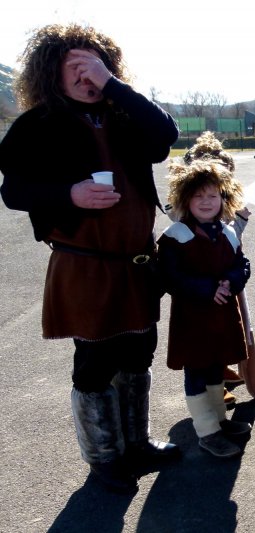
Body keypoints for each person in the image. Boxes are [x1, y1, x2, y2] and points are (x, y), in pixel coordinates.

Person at [0, 23, 180, 492]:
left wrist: (114, 85)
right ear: (51, 73)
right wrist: (69, 194)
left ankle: (136, 445)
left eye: (93, 66)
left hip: (137, 262)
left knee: (139, 353)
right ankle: (104, 458)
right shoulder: (38, 124)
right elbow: (14, 191)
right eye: (73, 66)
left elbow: (165, 135)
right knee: (96, 361)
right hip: (84, 264)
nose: (86, 76)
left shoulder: (124, 115)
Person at [157, 154, 252, 459]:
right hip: (193, 321)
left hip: (221, 318)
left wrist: (230, 282)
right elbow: (171, 277)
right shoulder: (176, 236)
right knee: (197, 372)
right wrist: (209, 288)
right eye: (198, 196)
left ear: (224, 198)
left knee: (215, 368)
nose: (206, 201)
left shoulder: (228, 232)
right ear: (185, 199)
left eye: (212, 195)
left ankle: (220, 421)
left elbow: (242, 265)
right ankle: (207, 432)